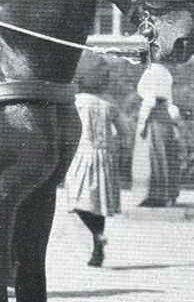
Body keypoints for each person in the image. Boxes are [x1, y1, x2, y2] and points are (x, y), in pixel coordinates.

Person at [64, 63, 126, 267]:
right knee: (99, 203)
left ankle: (97, 236)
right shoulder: (108, 105)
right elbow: (124, 132)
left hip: (82, 154)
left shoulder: (78, 102)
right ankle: (98, 243)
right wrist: (115, 145)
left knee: (77, 200)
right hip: (105, 157)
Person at [133, 62, 181, 207]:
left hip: (153, 118)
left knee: (150, 155)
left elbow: (150, 99)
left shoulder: (152, 71)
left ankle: (151, 195)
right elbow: (169, 100)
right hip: (164, 116)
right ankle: (166, 195)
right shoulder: (165, 71)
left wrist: (142, 123)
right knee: (165, 154)